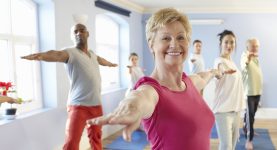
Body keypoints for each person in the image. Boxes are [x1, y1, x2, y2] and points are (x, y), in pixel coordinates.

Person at [87, 8, 226, 150]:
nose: (174, 44)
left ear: (187, 42)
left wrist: (215, 72)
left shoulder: (190, 82)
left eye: (180, 37)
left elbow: (204, 76)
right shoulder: (151, 90)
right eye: (166, 38)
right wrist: (131, 108)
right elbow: (139, 98)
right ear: (151, 44)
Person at [21, 23, 117, 150]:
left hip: (96, 105)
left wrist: (110, 64)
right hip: (78, 106)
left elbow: (100, 60)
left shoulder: (92, 54)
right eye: (75, 32)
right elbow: (56, 54)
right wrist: (40, 56)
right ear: (73, 36)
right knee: (71, 142)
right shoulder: (71, 53)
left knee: (96, 138)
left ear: (87, 34)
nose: (78, 33)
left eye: (81, 30)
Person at [212, 30, 246, 150]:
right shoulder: (219, 61)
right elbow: (218, 72)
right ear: (221, 43)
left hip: (236, 111)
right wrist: (221, 72)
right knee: (226, 146)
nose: (229, 45)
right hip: (223, 111)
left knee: (232, 146)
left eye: (232, 42)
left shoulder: (232, 63)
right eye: (226, 42)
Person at [240, 38, 263, 150]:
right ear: (247, 47)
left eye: (257, 46)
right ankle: (249, 139)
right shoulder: (245, 55)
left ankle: (247, 128)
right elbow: (244, 65)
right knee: (250, 117)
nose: (255, 48)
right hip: (249, 93)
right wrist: (248, 59)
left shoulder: (256, 59)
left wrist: (260, 91)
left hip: (257, 92)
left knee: (251, 115)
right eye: (253, 46)